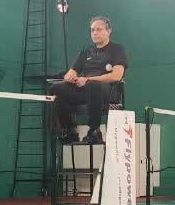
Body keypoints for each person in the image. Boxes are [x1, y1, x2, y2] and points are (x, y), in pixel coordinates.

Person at [50, 16, 127, 144]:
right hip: (86, 90)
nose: (95, 33)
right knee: (56, 88)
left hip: (109, 91)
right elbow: (71, 72)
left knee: (92, 85)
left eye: (99, 29)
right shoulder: (86, 52)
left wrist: (87, 79)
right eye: (92, 30)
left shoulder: (117, 49)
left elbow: (116, 76)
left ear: (109, 31)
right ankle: (70, 130)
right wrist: (69, 77)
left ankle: (94, 131)